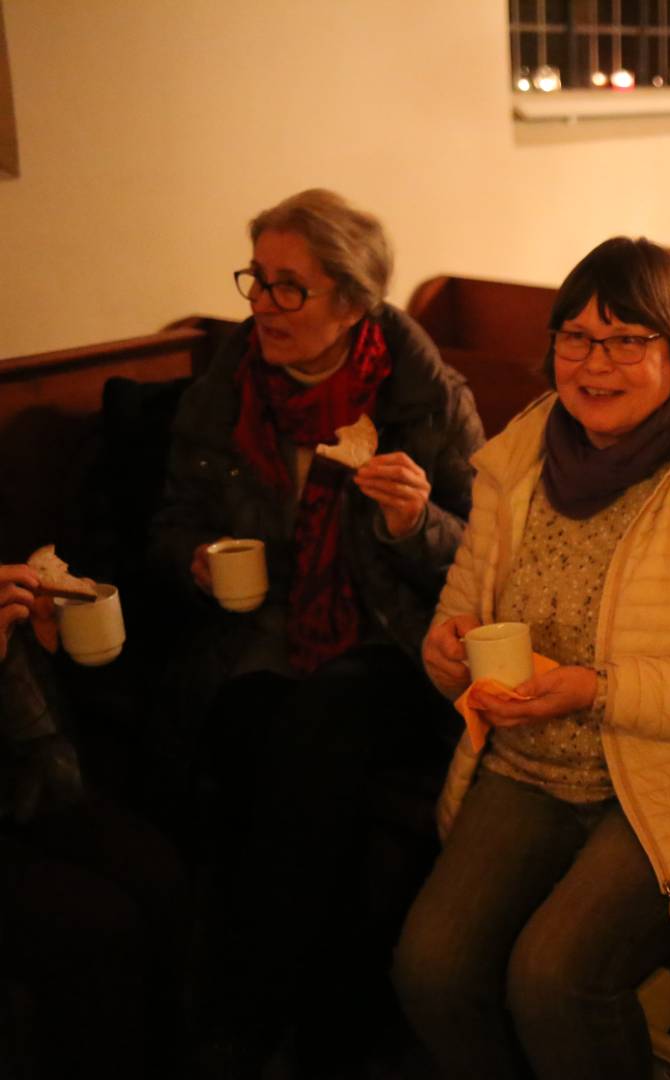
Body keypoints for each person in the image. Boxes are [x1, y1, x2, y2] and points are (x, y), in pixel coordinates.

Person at [391, 236, 670, 1079]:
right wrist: (447, 654)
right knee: (430, 968)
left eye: (628, 340)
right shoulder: (521, 452)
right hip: (526, 762)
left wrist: (595, 690)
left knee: (553, 977)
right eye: (576, 338)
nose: (596, 363)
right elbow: (460, 614)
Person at [148, 188, 484, 1070]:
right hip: (256, 635)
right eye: (256, 280)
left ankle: (243, 1022)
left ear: (351, 300)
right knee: (261, 738)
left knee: (317, 727)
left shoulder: (425, 399)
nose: (261, 304)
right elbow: (173, 520)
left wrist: (416, 524)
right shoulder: (228, 391)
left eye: (288, 288)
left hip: (391, 644)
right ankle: (336, 1021)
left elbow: (487, 563)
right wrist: (195, 560)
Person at [0, 559, 190, 1079]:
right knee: (99, 926)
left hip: (22, 788)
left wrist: (38, 645)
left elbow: (36, 739)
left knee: (158, 873)